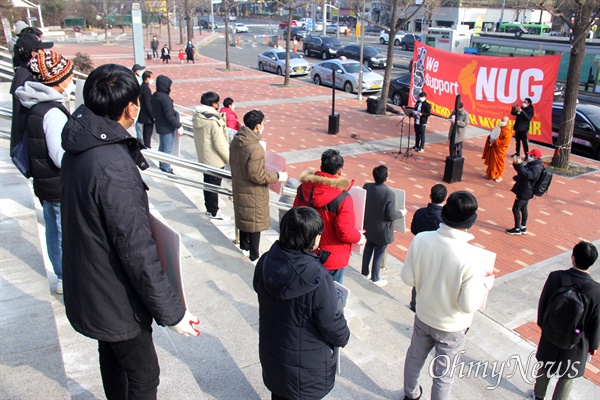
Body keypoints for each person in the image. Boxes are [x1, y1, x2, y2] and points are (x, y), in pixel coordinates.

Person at [60, 64, 200, 399]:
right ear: (130, 107)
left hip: (91, 284)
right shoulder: (113, 165)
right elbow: (136, 249)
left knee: (111, 354)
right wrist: (173, 313)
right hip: (114, 293)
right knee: (144, 373)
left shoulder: (80, 145)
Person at [401, 191, 495, 400]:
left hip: (424, 314)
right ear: (470, 221)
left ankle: (411, 393)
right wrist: (485, 283)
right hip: (452, 326)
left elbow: (408, 279)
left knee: (414, 357)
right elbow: (468, 305)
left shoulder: (421, 239)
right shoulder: (472, 257)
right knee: (443, 375)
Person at [253, 207, 350, 400]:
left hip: (273, 354)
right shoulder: (318, 278)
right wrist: (343, 336)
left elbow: (258, 288)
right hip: (306, 367)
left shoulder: (266, 260)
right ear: (312, 238)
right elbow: (331, 322)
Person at [15, 50, 73, 295]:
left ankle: (62, 274)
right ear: (58, 79)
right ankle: (63, 277)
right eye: (69, 75)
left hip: (45, 182)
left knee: (54, 228)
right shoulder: (52, 113)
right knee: (60, 231)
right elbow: (60, 156)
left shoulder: (36, 105)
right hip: (56, 184)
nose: (71, 80)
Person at [533, 241, 600, 400]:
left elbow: (544, 303)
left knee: (545, 366)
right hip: (577, 338)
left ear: (573, 258)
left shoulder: (556, 277)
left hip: (552, 331)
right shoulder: (597, 290)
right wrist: (594, 345)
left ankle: (538, 395)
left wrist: (544, 325)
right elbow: (596, 321)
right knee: (567, 376)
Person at [293, 149, 366, 284]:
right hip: (332, 257)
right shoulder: (343, 198)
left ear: (321, 167)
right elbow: (344, 232)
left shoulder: (304, 188)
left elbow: (295, 215)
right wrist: (359, 237)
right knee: (331, 298)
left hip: (305, 250)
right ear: (339, 171)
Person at [230, 110, 286, 262]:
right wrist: (278, 176)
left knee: (244, 219)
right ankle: (254, 257)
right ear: (256, 126)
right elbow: (257, 175)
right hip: (253, 192)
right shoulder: (255, 148)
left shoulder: (237, 139)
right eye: (262, 123)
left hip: (240, 187)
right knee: (254, 224)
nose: (263, 125)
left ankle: (244, 248)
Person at [10, 32, 53, 160]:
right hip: (34, 149)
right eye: (41, 49)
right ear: (34, 54)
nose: (44, 53)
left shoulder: (23, 73)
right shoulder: (26, 77)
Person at [361, 166, 405, 288]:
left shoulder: (367, 186)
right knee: (379, 253)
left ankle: (365, 272)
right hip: (382, 230)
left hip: (369, 226)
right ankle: (375, 277)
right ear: (386, 178)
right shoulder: (389, 193)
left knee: (368, 248)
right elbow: (390, 215)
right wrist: (401, 213)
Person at [409, 183, 447, 312]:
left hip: (420, 250)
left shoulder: (420, 212)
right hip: (436, 255)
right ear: (444, 199)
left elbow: (414, 230)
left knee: (418, 279)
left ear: (430, 196)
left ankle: (414, 304)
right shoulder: (444, 219)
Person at [193, 91, 230, 220]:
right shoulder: (213, 121)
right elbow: (220, 145)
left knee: (207, 185)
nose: (218, 104)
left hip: (204, 157)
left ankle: (209, 209)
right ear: (213, 104)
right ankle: (214, 212)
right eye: (217, 102)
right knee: (214, 187)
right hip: (215, 160)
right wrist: (229, 159)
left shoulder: (199, 116)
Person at [506, 148, 543, 236]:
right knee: (523, 208)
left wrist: (519, 165)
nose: (529, 156)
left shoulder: (536, 168)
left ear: (536, 157)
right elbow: (523, 172)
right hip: (526, 190)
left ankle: (517, 228)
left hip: (525, 191)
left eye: (531, 155)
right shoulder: (534, 165)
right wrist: (517, 164)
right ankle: (523, 227)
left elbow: (527, 175)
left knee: (516, 208)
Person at [151, 75, 181, 174]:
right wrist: (178, 126)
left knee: (162, 146)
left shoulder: (155, 95)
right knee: (167, 149)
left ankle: (162, 164)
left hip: (159, 124)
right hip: (166, 126)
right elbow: (169, 115)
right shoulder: (165, 98)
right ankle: (166, 168)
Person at [482, 116, 512, 182]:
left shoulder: (508, 132)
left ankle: (499, 176)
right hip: (494, 148)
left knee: (499, 163)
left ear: (507, 122)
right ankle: (489, 174)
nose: (502, 122)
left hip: (500, 150)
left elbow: (505, 142)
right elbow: (493, 135)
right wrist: (490, 138)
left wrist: (495, 141)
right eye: (501, 120)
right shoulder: (498, 128)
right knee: (492, 161)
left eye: (504, 121)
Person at [139, 70, 154, 148]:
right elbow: (148, 103)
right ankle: (147, 146)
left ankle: (146, 145)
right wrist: (152, 116)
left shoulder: (142, 87)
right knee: (148, 132)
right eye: (151, 78)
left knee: (145, 131)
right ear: (147, 78)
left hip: (143, 113)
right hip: (147, 115)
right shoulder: (146, 89)